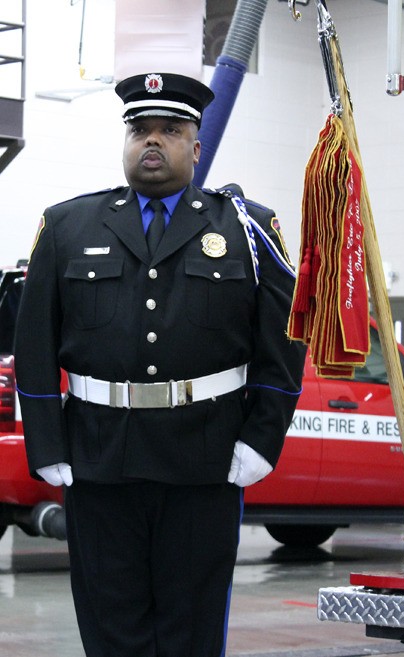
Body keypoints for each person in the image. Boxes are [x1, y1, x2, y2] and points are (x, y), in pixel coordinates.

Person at [14, 72, 306, 657]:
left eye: (170, 130)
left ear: (196, 148)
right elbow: (34, 344)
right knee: (110, 626)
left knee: (190, 630)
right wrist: (46, 444)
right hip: (97, 460)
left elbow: (284, 342)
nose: (152, 141)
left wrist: (262, 439)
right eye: (140, 130)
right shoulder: (68, 226)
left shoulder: (245, 229)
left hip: (205, 461)